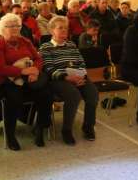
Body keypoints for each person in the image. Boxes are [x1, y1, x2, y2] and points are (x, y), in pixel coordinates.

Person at [0, 13, 52, 150]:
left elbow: (38, 59)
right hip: (5, 82)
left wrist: (35, 70)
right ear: (2, 29)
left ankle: (39, 127)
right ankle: (10, 135)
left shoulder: (25, 41)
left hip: (28, 79)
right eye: (11, 26)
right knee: (14, 97)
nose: (15, 29)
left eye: (17, 26)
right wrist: (22, 71)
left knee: (46, 94)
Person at [39, 16, 98, 144]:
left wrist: (82, 75)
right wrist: (66, 77)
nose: (64, 31)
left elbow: (81, 62)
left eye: (66, 28)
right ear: (52, 30)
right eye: (60, 28)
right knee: (74, 95)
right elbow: (48, 69)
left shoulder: (71, 45)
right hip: (58, 79)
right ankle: (66, 130)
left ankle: (88, 127)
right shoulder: (45, 47)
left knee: (92, 93)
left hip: (77, 76)